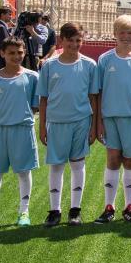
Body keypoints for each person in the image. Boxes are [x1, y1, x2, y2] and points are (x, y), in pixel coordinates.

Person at [37, 22, 100, 226]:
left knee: (78, 164)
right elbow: (44, 99)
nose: (74, 44)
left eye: (78, 40)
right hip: (56, 122)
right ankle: (54, 211)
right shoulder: (49, 66)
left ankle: (75, 210)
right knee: (56, 166)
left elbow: (93, 98)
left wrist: (94, 127)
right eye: (70, 40)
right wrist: (42, 126)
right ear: (61, 41)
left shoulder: (90, 65)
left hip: (81, 121)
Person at [93, 15, 131, 224]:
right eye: (122, 32)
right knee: (112, 159)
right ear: (115, 34)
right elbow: (99, 92)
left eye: (130, 32)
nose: (127, 36)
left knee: (130, 160)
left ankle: (130, 206)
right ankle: (109, 207)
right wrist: (99, 120)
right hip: (110, 116)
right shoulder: (105, 59)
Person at [0, 37, 39, 228]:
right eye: (11, 53)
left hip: (22, 130)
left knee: (23, 171)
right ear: (2, 54)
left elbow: (35, 105)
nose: (16, 56)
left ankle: (24, 212)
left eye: (20, 52)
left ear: (24, 53)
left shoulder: (32, 77)